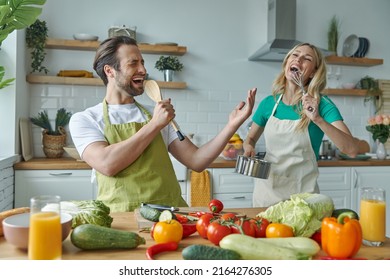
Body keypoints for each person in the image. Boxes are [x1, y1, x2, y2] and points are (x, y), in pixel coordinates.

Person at [69, 36, 256, 212]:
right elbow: (107, 164)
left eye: (142, 62)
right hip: (122, 217)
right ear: (109, 71)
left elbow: (197, 161)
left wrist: (232, 125)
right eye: (133, 63)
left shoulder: (156, 114)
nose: (142, 70)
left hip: (171, 214)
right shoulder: (86, 119)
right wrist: (154, 125)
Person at [243, 42, 359, 207]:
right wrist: (248, 146)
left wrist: (318, 118)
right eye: (295, 55)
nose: (298, 60)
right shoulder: (269, 103)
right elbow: (250, 139)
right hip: (266, 196)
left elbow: (352, 150)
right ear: (287, 63)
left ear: (312, 72)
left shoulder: (322, 104)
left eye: (307, 58)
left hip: (303, 201)